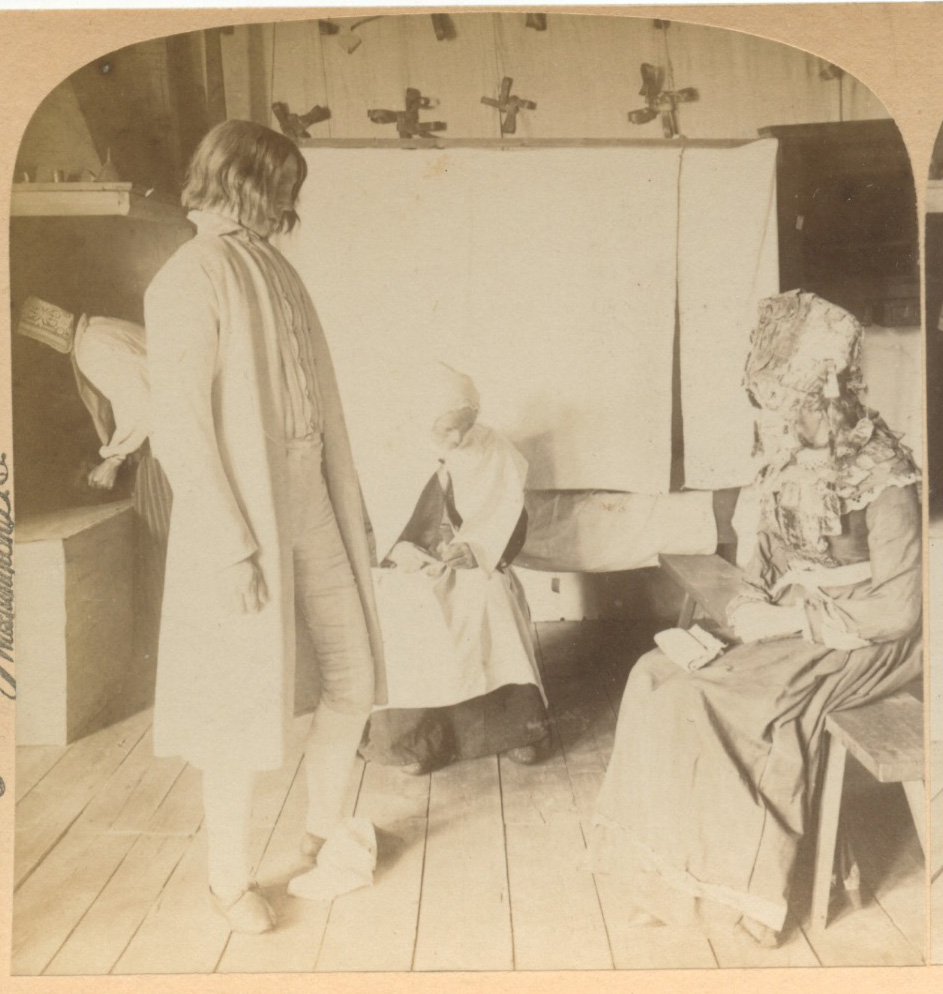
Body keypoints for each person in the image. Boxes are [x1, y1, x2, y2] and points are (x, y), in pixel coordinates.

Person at [590, 290, 922, 947]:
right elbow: (768, 559)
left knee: (710, 701)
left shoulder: (885, 476)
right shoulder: (786, 458)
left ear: (826, 397)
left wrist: (792, 623)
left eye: (784, 404)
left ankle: (746, 901)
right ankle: (665, 882)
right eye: (768, 402)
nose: (773, 418)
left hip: (864, 637)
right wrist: (749, 602)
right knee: (653, 677)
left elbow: (901, 607)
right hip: (793, 619)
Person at [144, 120, 386, 934]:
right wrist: (232, 546)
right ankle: (226, 882)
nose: (288, 202)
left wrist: (350, 508)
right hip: (243, 518)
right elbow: (180, 430)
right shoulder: (190, 275)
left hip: (311, 496)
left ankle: (322, 833)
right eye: (280, 185)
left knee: (353, 673)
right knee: (236, 706)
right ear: (244, 181)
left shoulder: (274, 267)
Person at [360, 364, 550, 774]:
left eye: (467, 427)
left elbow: (514, 519)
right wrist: (395, 551)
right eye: (448, 429)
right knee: (405, 607)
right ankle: (413, 743)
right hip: (406, 566)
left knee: (491, 596)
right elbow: (366, 524)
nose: (459, 439)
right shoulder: (388, 446)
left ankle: (512, 731)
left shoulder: (493, 448)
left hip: (470, 563)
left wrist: (479, 549)